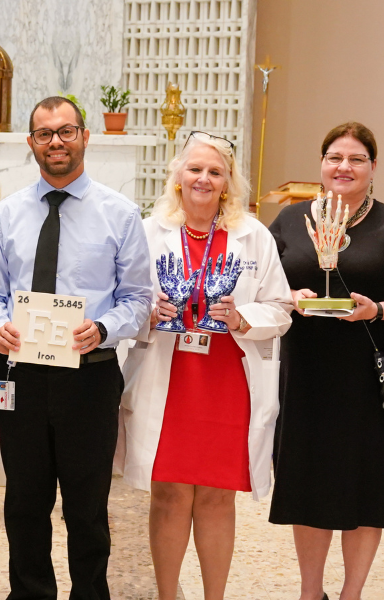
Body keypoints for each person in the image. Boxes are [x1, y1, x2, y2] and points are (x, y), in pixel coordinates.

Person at [0, 96, 153, 600]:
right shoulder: (8, 214)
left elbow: (139, 299)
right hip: (23, 377)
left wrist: (103, 326)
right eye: (45, 133)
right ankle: (29, 593)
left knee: (87, 504)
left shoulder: (119, 214)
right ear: (31, 142)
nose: (56, 141)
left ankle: (91, 594)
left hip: (89, 375)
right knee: (25, 502)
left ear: (85, 137)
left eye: (66, 131)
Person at [119, 132, 293, 600]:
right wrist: (146, 314)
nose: (204, 178)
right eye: (195, 169)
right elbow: (122, 302)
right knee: (170, 493)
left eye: (215, 172)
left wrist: (241, 317)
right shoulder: (148, 232)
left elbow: (280, 309)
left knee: (217, 495)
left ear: (228, 183)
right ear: (178, 176)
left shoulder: (253, 235)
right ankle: (167, 595)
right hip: (169, 379)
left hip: (227, 382)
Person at [266, 122, 384, 600]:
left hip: (371, 372)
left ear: (373, 168)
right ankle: (310, 591)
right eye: (335, 157)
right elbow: (262, 285)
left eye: (356, 159)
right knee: (308, 480)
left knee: (368, 483)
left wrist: (378, 309)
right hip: (306, 370)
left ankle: (352, 593)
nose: (344, 167)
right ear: (322, 164)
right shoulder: (291, 219)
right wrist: (289, 295)